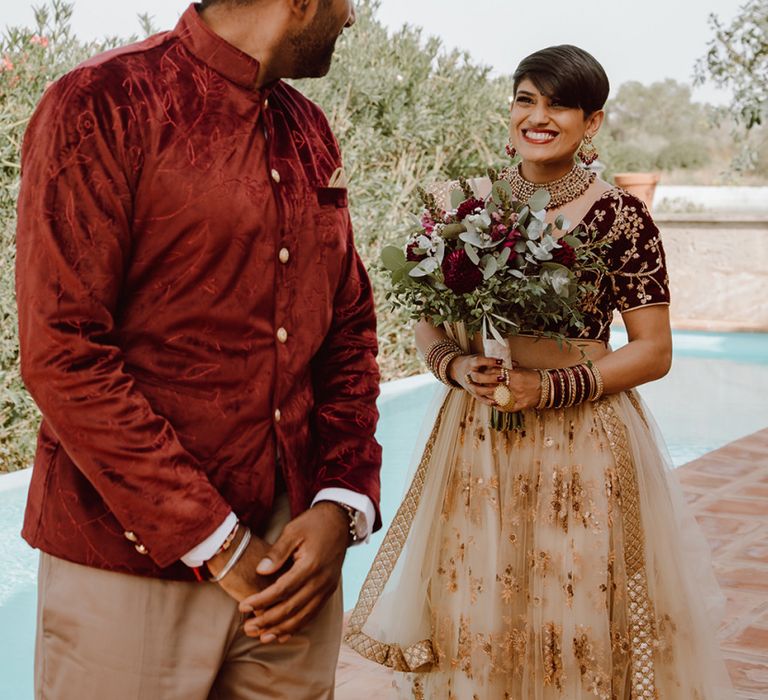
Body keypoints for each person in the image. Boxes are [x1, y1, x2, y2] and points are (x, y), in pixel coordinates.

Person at [15, 1, 382, 698]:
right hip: (128, 566)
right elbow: (63, 351)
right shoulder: (102, 101)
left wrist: (341, 501)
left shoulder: (308, 127)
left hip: (294, 571)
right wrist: (216, 542)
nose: (351, 18)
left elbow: (347, 328)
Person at [345, 45, 733, 699]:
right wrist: (456, 367)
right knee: (476, 606)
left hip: (580, 444)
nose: (539, 116)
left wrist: (549, 387)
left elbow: (654, 350)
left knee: (572, 606)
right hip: (477, 442)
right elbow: (428, 323)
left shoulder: (620, 217)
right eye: (526, 100)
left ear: (592, 122)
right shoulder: (463, 206)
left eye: (559, 105)